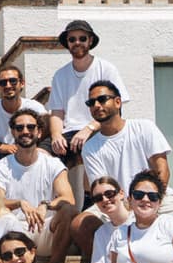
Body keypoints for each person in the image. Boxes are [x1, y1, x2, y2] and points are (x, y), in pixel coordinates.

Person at [78, 80, 173, 214]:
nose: (96, 105)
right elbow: (103, 189)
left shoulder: (145, 127)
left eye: (102, 99)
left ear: (118, 102)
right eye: (91, 103)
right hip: (116, 203)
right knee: (80, 225)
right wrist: (128, 209)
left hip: (157, 197)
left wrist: (152, 200)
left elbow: (162, 170)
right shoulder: (89, 148)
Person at [0, 111, 76, 263]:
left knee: (68, 210)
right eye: (20, 128)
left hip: (45, 228)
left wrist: (46, 205)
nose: (25, 131)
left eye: (30, 127)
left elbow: (68, 199)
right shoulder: (1, 167)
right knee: (3, 215)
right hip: (14, 231)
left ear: (39, 132)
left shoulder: (53, 164)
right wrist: (19, 203)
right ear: (13, 132)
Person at [46, 20, 128, 160]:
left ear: (90, 41)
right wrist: (56, 136)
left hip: (100, 128)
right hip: (69, 132)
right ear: (68, 43)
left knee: (92, 152)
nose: (77, 42)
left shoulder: (106, 68)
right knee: (42, 156)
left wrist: (89, 128)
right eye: (72, 39)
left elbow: (116, 108)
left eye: (82, 38)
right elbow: (57, 113)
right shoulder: (60, 75)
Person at [0, 66, 48, 166]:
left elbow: (49, 123)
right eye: (3, 83)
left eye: (13, 81)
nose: (8, 85)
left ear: (22, 83)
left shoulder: (33, 106)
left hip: (27, 148)